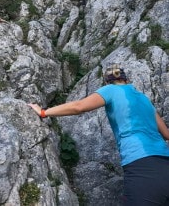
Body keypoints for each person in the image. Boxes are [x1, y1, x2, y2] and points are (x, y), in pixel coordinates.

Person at [29, 64, 169, 205]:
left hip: (141, 164)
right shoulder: (144, 99)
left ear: (107, 81)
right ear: (126, 79)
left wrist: (43, 112)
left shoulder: (111, 90)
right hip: (165, 162)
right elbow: (166, 134)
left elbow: (79, 107)